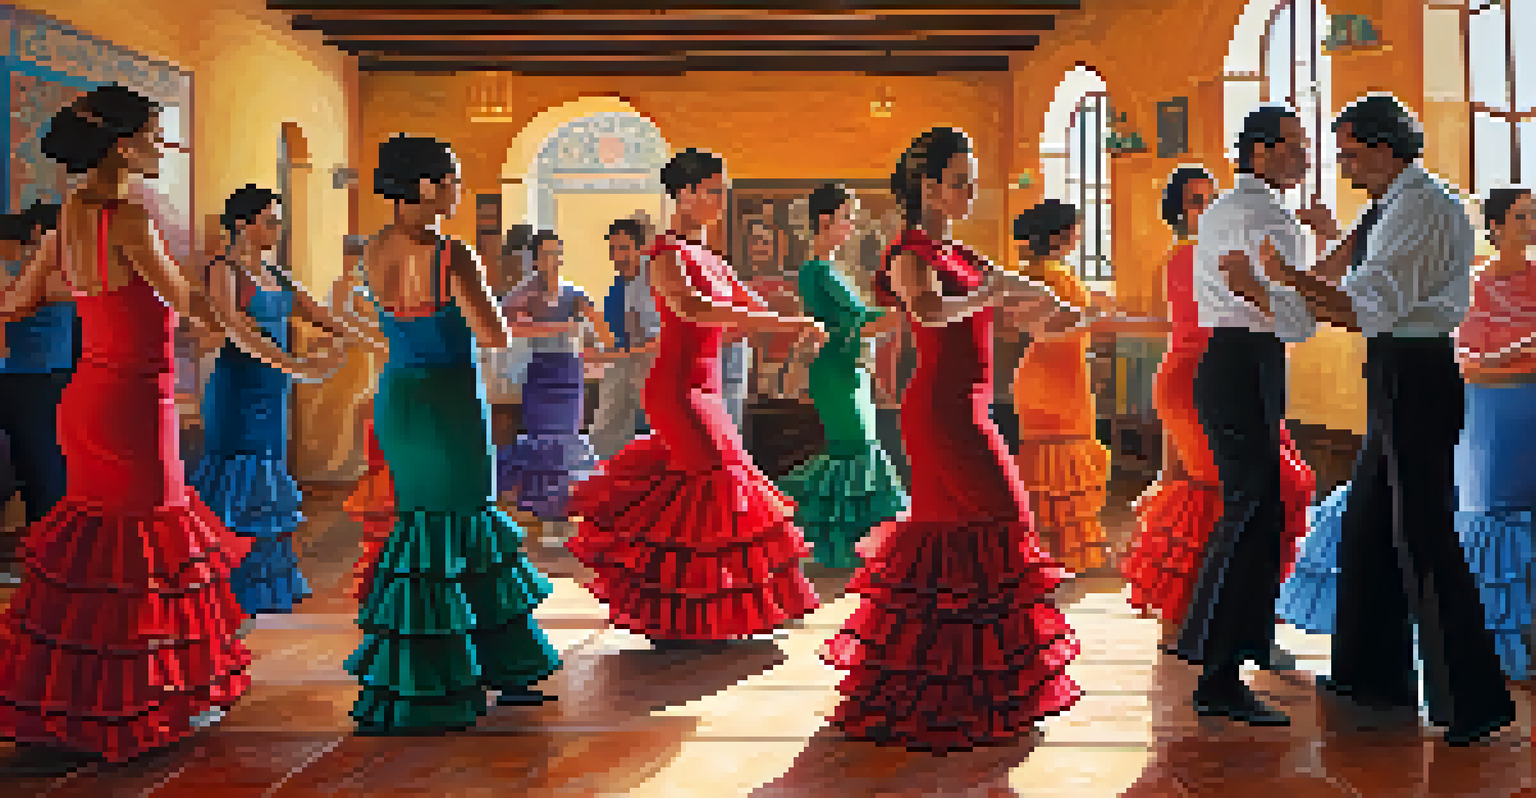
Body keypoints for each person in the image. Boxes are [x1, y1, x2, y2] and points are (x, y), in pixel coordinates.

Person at [0, 84, 341, 762]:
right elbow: (192, 304)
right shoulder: (127, 216)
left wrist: (101, 297)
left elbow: (18, 300)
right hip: (133, 407)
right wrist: (285, 360)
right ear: (123, 146)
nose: (163, 146)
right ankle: (132, 706)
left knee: (95, 550)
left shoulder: (70, 212)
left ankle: (77, 702)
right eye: (156, 135)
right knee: (142, 556)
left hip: (85, 401)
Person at [1259, 93, 1516, 745]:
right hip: (1393, 373)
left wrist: (1286, 277)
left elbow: (1364, 308)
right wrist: (1281, 286)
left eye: (1348, 154)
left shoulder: (1426, 209)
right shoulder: (1389, 204)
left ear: (1384, 148)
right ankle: (1369, 679)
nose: (1343, 168)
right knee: (1369, 526)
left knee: (1426, 536)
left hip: (1420, 376)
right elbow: (1336, 276)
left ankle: (1474, 703)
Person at [823, 127, 1089, 752]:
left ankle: (955, 688)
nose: (970, 192)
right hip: (941, 412)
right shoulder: (908, 253)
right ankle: (947, 686)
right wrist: (993, 296)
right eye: (961, 182)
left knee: (967, 539)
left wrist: (1058, 308)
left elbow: (1019, 294)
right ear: (931, 188)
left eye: (972, 181)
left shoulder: (965, 254)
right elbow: (930, 313)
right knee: (1000, 521)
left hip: (973, 407)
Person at [335, 134, 561, 734]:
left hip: (401, 398)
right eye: (455, 180)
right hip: (451, 401)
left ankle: (428, 677)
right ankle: (490, 671)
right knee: (470, 527)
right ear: (430, 186)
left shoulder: (373, 249)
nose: (459, 192)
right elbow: (492, 335)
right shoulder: (450, 252)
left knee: (424, 530)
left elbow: (383, 321)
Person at [565, 148, 824, 647]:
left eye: (721, 188)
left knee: (707, 485)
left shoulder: (712, 258)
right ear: (683, 195)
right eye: (710, 189)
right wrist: (780, 322)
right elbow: (694, 308)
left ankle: (688, 613)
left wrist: (787, 318)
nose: (720, 198)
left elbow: (739, 314)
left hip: (706, 384)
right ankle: (690, 612)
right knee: (717, 479)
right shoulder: (664, 255)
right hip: (678, 389)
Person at [1167, 105, 1321, 727]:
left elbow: (1294, 298)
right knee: (1252, 506)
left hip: (1238, 360)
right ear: (1258, 151)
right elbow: (1300, 317)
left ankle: (1230, 646)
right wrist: (1294, 282)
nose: (1303, 157)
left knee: (1259, 508)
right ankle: (1217, 672)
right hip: (1243, 361)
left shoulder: (1245, 212)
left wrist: (1310, 255)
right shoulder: (1263, 219)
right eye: (1292, 146)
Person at [1126, 167, 1315, 635]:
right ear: (1179, 212)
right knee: (1241, 491)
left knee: (1218, 491)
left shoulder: (1186, 258)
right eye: (1195, 201)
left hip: (1194, 376)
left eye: (1212, 199)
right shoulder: (1198, 258)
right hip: (1199, 379)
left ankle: (1200, 617)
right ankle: (1212, 622)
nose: (1207, 209)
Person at [192, 185, 351, 616]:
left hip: (273, 393)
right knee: (237, 479)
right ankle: (225, 590)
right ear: (243, 224)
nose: (278, 229)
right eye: (271, 221)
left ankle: (263, 590)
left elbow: (320, 315)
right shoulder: (223, 271)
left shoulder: (277, 275)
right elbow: (230, 329)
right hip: (237, 393)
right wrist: (296, 364)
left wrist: (371, 337)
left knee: (269, 482)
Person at [777, 184, 907, 569]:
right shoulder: (815, 271)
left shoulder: (831, 269)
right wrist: (901, 311)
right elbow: (841, 326)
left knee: (857, 451)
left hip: (849, 369)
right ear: (824, 221)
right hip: (835, 370)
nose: (852, 225)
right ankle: (824, 536)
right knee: (855, 451)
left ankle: (856, 544)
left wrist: (895, 312)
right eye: (847, 217)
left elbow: (860, 320)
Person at [1007, 200, 1116, 574]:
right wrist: (1096, 314)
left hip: (1040, 373)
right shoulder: (1056, 275)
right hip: (1059, 378)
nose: (1080, 237)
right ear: (1061, 236)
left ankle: (1040, 549)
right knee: (1066, 457)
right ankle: (1065, 552)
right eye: (1077, 230)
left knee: (1043, 460)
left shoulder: (1030, 272)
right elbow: (1062, 321)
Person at [497, 231, 611, 537]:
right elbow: (507, 327)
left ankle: (561, 511)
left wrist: (599, 346)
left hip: (568, 371)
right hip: (540, 370)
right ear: (535, 259)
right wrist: (560, 326)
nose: (552, 260)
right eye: (546, 254)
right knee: (540, 438)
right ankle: (536, 511)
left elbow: (602, 330)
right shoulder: (524, 291)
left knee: (566, 439)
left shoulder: (574, 292)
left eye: (556, 254)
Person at [0, 202, 68, 585]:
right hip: (27, 383)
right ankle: (45, 567)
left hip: (49, 381)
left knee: (44, 474)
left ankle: (45, 564)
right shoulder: (35, 271)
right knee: (43, 476)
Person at [590, 216, 661, 460]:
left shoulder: (653, 284)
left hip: (653, 372)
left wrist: (613, 354)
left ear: (640, 248)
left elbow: (659, 340)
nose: (617, 255)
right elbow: (613, 333)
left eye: (623, 248)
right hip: (623, 370)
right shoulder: (618, 286)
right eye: (613, 248)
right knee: (605, 438)